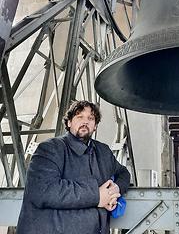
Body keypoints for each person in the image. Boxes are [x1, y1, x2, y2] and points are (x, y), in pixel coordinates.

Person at [16, 100, 130, 234]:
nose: (85, 121)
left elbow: (123, 173)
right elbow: (43, 190)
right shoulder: (50, 148)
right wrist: (97, 196)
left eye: (91, 118)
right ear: (69, 122)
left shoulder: (103, 152)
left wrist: (115, 190)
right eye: (79, 117)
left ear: (95, 126)